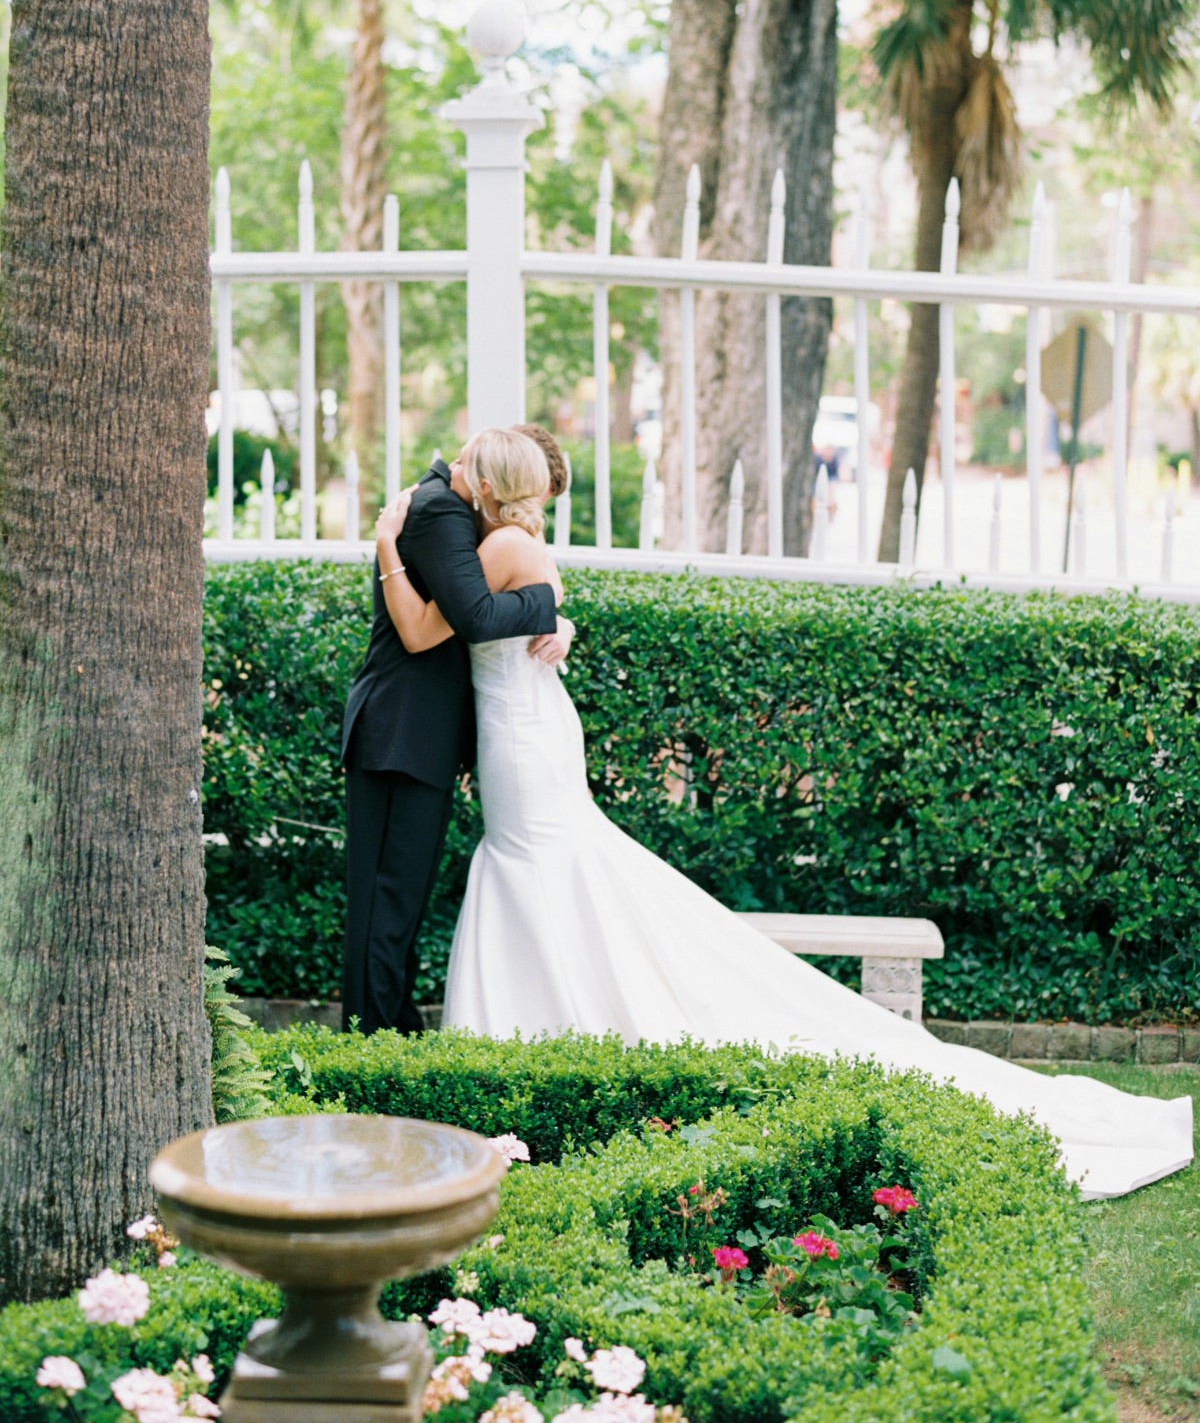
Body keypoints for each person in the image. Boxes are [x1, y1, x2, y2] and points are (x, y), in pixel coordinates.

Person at [375, 433, 1193, 1201]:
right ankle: (547, 1032)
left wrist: (391, 551)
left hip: (523, 740)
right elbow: (506, 614)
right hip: (523, 730)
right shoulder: (504, 545)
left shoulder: (500, 546)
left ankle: (550, 1032)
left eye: (473, 470)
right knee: (542, 871)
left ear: (492, 487)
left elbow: (448, 623)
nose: (459, 477)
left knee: (539, 867)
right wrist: (556, 616)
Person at [340, 441, 573, 1036]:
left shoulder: (469, 517)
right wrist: (548, 602)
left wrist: (555, 617)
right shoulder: (443, 509)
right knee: (386, 903)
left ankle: (391, 1031)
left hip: (423, 733)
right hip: (402, 731)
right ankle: (370, 1044)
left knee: (399, 901)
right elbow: (455, 623)